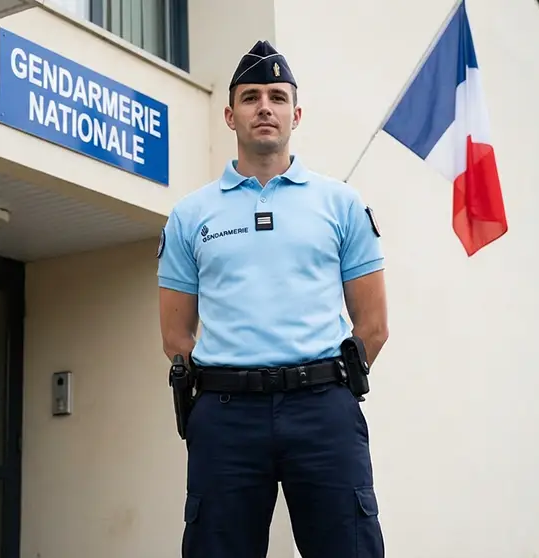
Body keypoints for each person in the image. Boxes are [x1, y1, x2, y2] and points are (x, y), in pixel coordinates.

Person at [156, 39, 390, 558]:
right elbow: (176, 335)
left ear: (296, 114)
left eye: (278, 97)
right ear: (230, 113)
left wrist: (323, 388)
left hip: (323, 412)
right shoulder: (190, 216)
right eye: (252, 96)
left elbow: (372, 325)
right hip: (225, 416)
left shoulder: (341, 204)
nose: (265, 107)